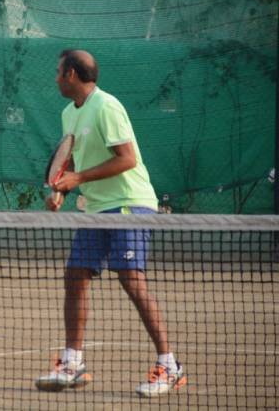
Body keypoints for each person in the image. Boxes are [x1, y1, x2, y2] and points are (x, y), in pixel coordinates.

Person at [34, 50, 186, 398]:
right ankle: (72, 363)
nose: (55, 78)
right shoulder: (67, 114)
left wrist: (78, 177)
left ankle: (170, 366)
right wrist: (61, 190)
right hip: (96, 208)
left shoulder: (107, 106)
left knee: (131, 280)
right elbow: (70, 158)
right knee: (75, 276)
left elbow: (127, 159)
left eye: (58, 72)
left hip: (129, 203)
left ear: (71, 74)